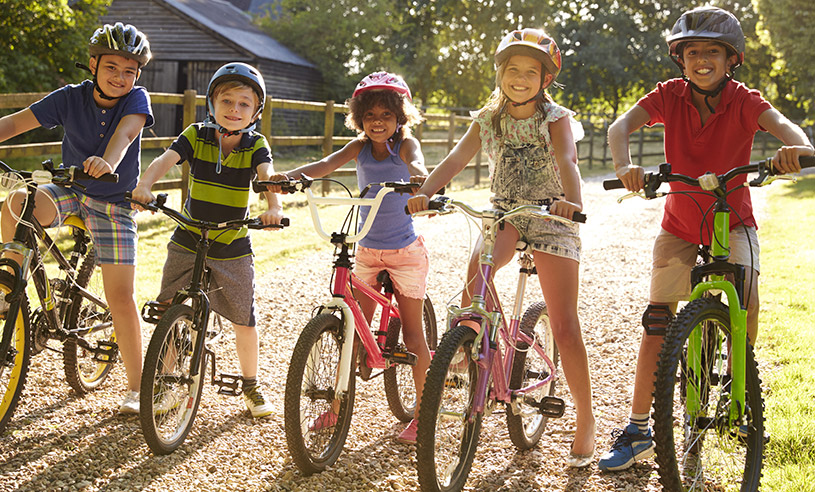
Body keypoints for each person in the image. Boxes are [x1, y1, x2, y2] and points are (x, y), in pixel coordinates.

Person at [598, 6, 814, 472]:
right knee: (658, 319)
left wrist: (795, 150)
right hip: (679, 221)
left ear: (731, 58)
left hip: (733, 219)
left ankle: (740, 395)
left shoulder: (744, 99)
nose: (701, 59)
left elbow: (785, 127)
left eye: (712, 51)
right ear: (680, 58)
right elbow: (619, 128)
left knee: (746, 301)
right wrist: (624, 167)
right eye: (692, 51)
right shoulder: (669, 95)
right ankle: (638, 428)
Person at [407, 28, 596, 467]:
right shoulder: (488, 118)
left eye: (531, 71)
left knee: (565, 324)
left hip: (553, 215)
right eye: (513, 69)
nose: (520, 78)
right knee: (479, 273)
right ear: (500, 73)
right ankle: (475, 340)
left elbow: (567, 160)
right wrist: (427, 193)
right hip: (506, 212)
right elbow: (455, 159)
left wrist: (573, 203)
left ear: (545, 79)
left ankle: (586, 418)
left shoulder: (556, 117)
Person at [0, 23, 154, 415]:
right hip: (71, 190)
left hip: (114, 201)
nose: (121, 77)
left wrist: (109, 162)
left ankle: (138, 389)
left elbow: (125, 136)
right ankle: (10, 288)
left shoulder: (137, 100)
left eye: (129, 71)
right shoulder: (70, 98)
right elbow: (16, 124)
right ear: (93, 64)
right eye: (112, 67)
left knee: (120, 297)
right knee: (18, 201)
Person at [269, 71, 430, 443]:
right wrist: (288, 177)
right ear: (359, 118)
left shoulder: (404, 146)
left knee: (412, 335)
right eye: (370, 115)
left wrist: (420, 178)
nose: (378, 122)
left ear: (399, 118)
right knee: (352, 334)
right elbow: (323, 166)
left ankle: (423, 416)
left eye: (386, 116)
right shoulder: (357, 147)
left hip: (404, 252)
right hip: (367, 247)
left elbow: (418, 163)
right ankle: (336, 408)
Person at [131, 62, 283, 418]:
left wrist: (273, 207)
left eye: (244, 103)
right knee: (170, 305)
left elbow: (267, 178)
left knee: (244, 317)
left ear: (256, 112)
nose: (234, 109)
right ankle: (165, 378)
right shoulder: (196, 135)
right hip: (189, 235)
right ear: (211, 105)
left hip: (232, 244)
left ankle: (251, 385)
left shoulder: (255, 144)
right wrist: (143, 187)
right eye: (226, 101)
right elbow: (164, 161)